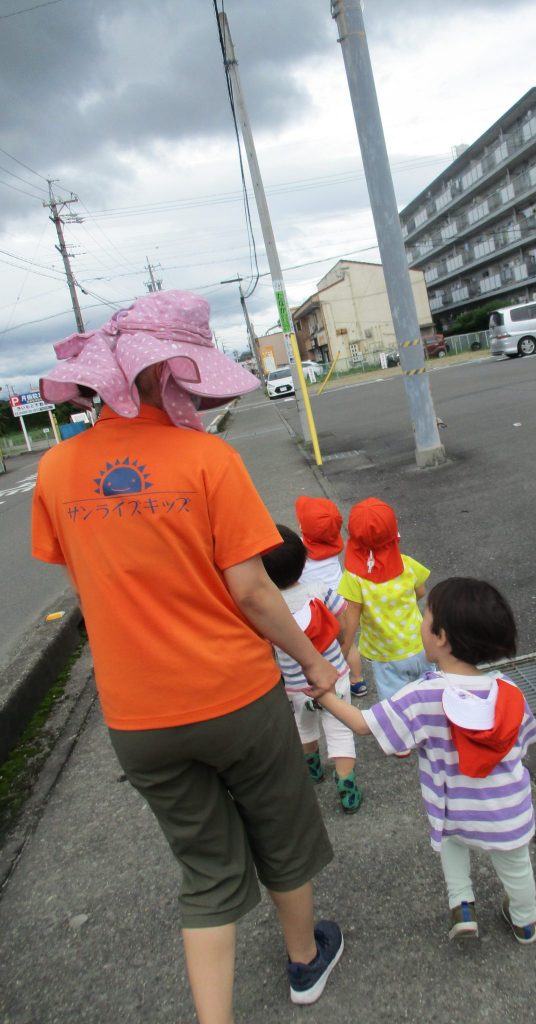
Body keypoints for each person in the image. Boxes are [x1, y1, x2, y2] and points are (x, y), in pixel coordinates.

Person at [30, 291, 344, 1023]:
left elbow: (90, 588)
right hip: (234, 696)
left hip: (139, 717)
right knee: (280, 831)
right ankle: (305, 963)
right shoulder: (207, 458)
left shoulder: (57, 472)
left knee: (205, 871)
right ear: (166, 374)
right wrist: (317, 663)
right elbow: (255, 592)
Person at [314, 577, 536, 943]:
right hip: (507, 810)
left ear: (441, 637)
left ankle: (462, 906)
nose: (420, 621)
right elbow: (523, 742)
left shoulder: (425, 694)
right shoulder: (509, 692)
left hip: (454, 806)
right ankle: (524, 921)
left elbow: (363, 724)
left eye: (426, 615)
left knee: (452, 843)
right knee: (516, 866)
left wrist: (324, 694)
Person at [261, 523, 362, 814]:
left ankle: (313, 769)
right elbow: (343, 622)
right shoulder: (319, 591)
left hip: (297, 685)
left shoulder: (268, 607)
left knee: (304, 726)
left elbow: (267, 647)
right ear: (304, 560)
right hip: (334, 677)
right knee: (340, 729)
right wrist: (342, 647)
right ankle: (346, 784)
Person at [337, 498, 431, 711]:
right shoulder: (406, 563)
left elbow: (350, 619)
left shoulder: (354, 577)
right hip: (421, 646)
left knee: (396, 711)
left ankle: (402, 744)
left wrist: (341, 653)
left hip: (387, 656)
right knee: (429, 699)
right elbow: (421, 591)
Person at [296, 495, 368, 698]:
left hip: (316, 603)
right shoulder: (333, 543)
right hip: (339, 598)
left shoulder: (302, 548)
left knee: (317, 644)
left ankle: (322, 679)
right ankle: (357, 680)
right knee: (347, 641)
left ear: (302, 528)